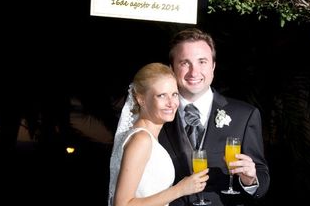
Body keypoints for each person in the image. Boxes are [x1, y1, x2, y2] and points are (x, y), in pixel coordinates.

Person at [159, 28, 270, 205]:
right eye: (185, 63)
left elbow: (262, 179)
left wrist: (250, 180)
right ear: (172, 68)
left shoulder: (245, 115)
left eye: (202, 62)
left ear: (213, 66)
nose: (194, 72)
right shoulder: (156, 116)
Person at [108, 62, 209, 206]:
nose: (171, 103)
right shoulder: (141, 140)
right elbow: (122, 204)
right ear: (141, 99)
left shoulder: (148, 137)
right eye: (161, 96)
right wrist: (180, 189)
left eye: (174, 94)